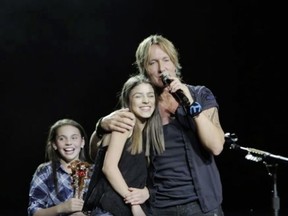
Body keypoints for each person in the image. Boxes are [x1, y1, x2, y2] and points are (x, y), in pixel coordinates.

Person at [89, 34, 226, 216]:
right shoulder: (144, 105)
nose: (162, 68)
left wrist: (190, 103)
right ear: (144, 68)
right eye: (153, 62)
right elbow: (94, 155)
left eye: (166, 60)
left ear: (175, 62)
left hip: (202, 205)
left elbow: (216, 146)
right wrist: (101, 126)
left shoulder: (200, 95)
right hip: (158, 206)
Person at [85, 74, 165, 216]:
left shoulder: (146, 130)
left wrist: (146, 192)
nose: (146, 101)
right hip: (110, 208)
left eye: (150, 95)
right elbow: (109, 167)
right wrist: (134, 203)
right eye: (138, 96)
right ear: (128, 100)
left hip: (123, 207)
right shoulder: (126, 123)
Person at [28, 118, 93, 216]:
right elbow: (34, 212)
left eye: (74, 137)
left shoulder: (94, 171)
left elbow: (106, 209)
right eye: (62, 138)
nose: (68, 142)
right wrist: (62, 208)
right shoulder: (45, 171)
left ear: (82, 142)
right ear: (54, 144)